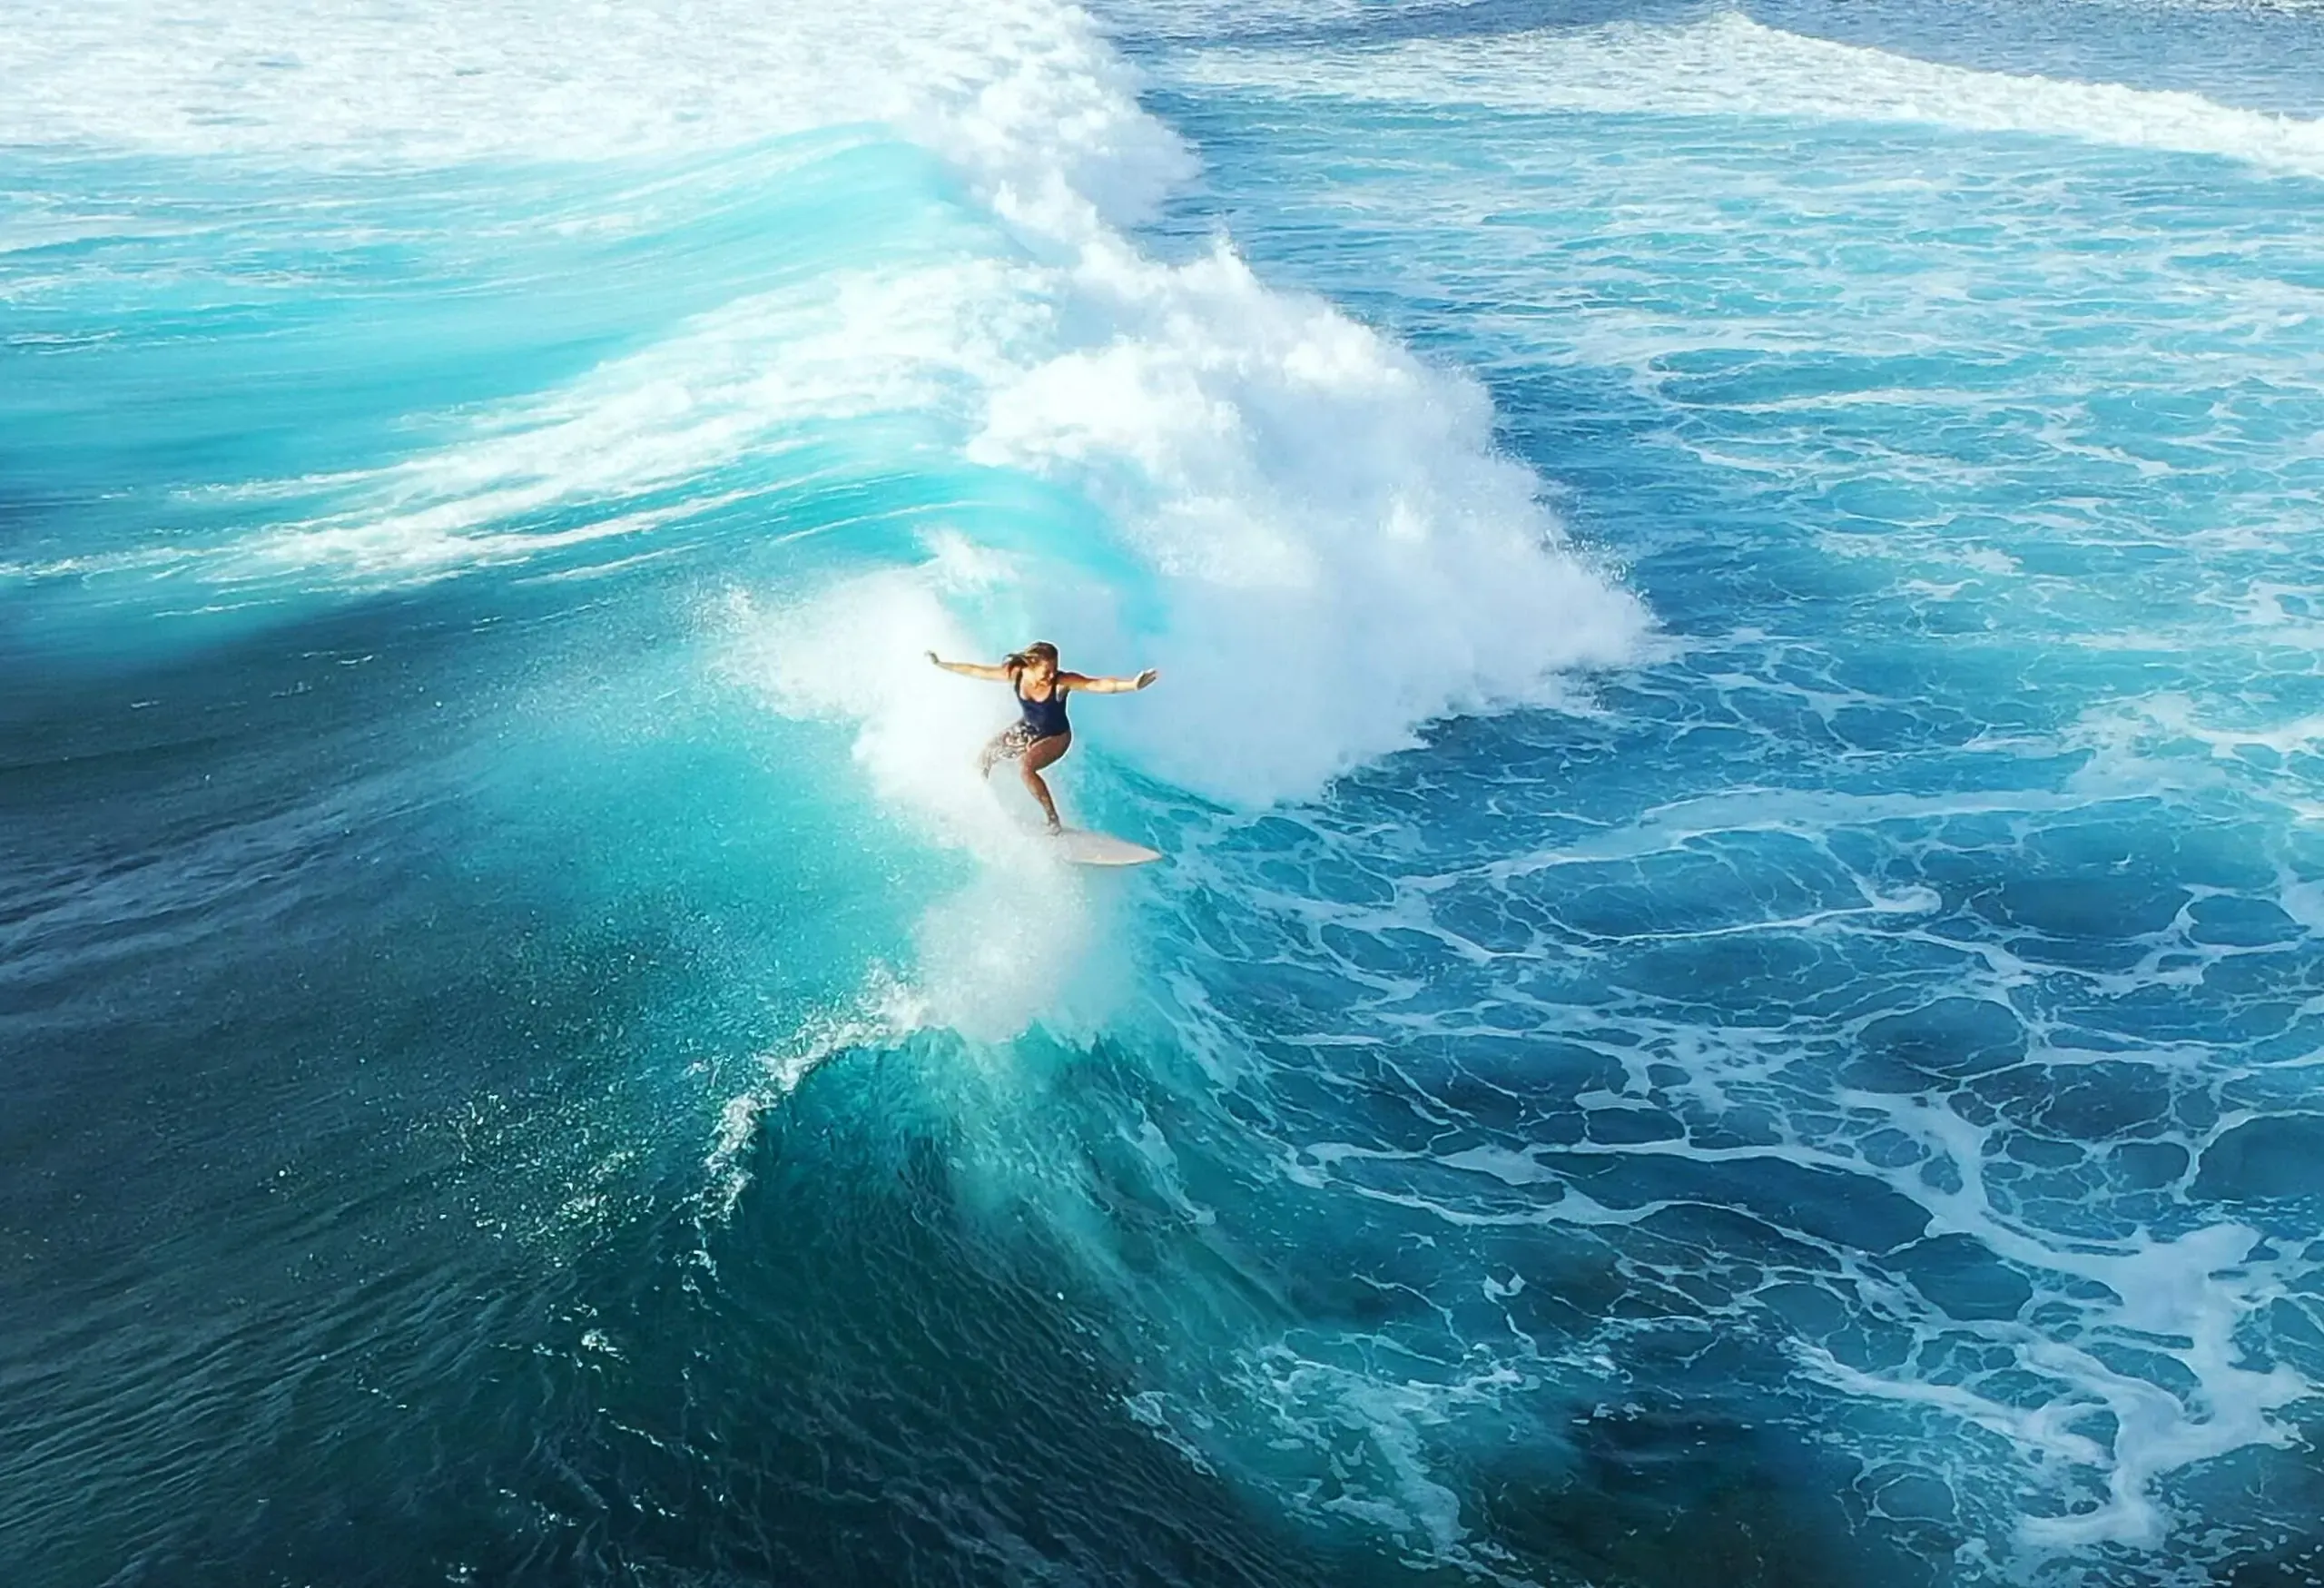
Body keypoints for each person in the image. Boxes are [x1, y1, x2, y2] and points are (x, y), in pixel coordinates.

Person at [927, 641, 1158, 833]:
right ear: (1031, 665)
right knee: (986, 756)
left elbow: (1097, 684)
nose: (1051, 674)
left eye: (1055, 668)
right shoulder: (1016, 674)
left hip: (1057, 736)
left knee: (1026, 767)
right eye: (1046, 671)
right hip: (1029, 729)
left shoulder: (1060, 682)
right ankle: (978, 804)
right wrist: (941, 664)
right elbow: (976, 670)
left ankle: (1053, 821)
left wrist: (1132, 685)